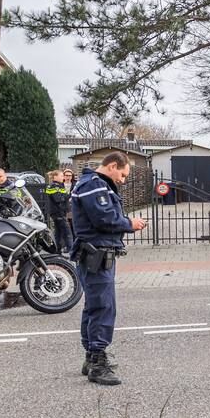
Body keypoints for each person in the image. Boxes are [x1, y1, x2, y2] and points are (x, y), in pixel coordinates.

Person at [70, 152, 146, 386]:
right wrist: (130, 224)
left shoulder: (93, 184)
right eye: (123, 174)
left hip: (96, 253)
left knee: (94, 306)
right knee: (103, 307)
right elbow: (105, 219)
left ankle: (91, 356)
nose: (123, 180)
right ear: (113, 166)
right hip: (97, 254)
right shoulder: (95, 186)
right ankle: (97, 363)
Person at [44, 169, 72, 254]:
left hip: (57, 212)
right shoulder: (55, 186)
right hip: (58, 212)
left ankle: (57, 250)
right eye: (61, 176)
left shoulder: (57, 185)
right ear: (55, 177)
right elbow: (58, 199)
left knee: (58, 233)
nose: (63, 177)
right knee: (67, 233)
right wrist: (71, 194)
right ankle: (71, 250)